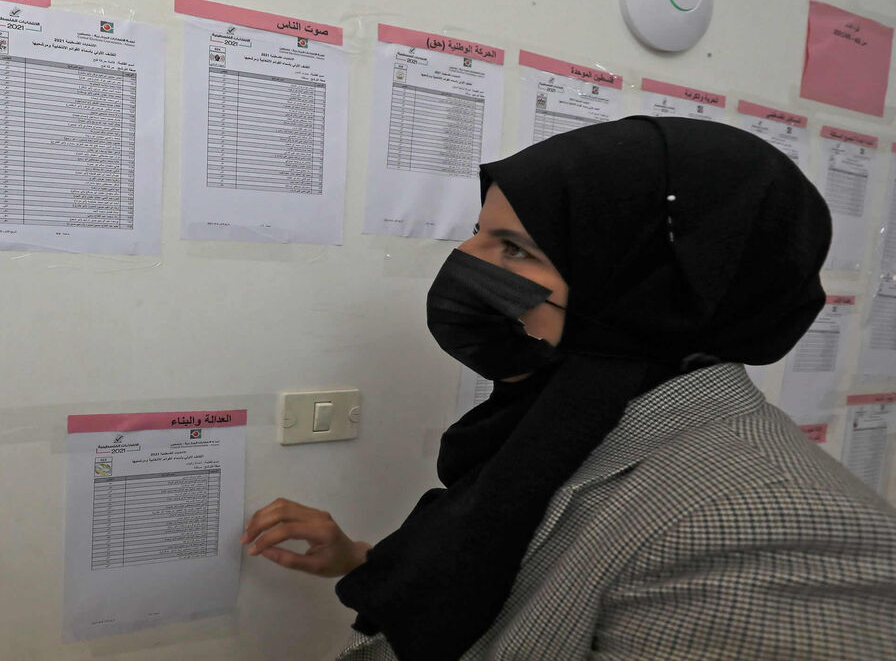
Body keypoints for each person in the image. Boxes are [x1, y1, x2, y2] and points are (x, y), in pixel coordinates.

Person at [241, 117, 896, 660]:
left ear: (643, 284)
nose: (467, 262)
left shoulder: (776, 529)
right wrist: (360, 557)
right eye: (480, 233)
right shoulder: (575, 415)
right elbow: (545, 563)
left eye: (515, 249)